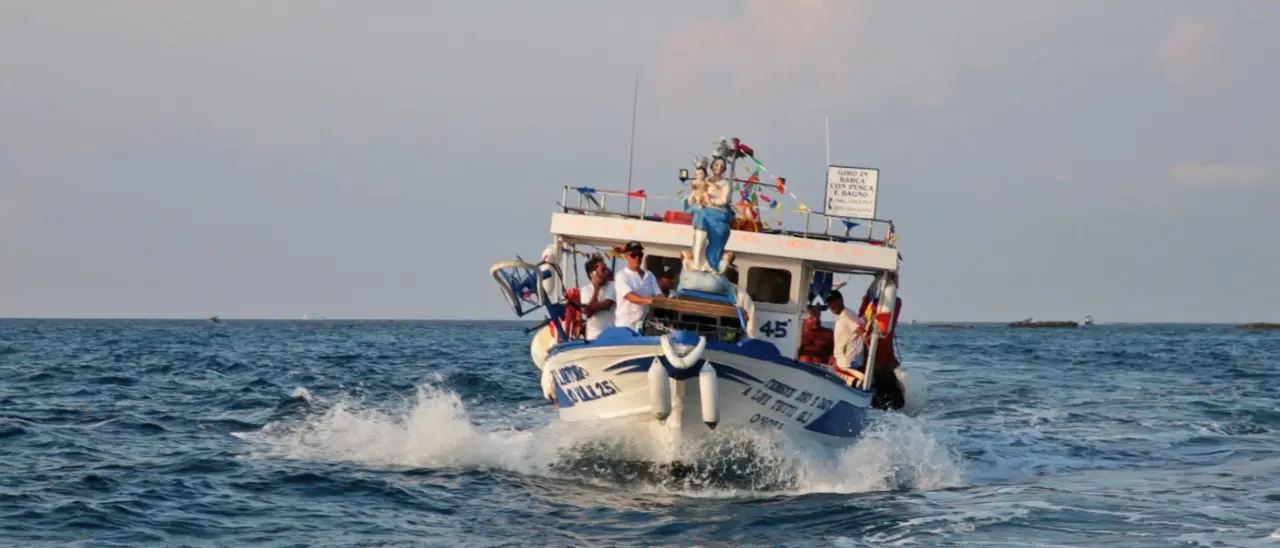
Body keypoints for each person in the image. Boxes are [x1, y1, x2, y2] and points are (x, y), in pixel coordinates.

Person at [614, 241, 663, 331]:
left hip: (643, 327)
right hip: (625, 327)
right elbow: (631, 297)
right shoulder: (621, 275)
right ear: (626, 256)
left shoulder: (650, 275)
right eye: (633, 255)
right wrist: (649, 300)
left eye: (640, 255)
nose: (637, 258)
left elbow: (659, 296)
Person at [827, 290, 869, 384]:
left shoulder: (847, 315)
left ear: (841, 300)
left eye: (833, 302)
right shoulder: (841, 316)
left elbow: (861, 332)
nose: (831, 306)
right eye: (829, 304)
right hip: (841, 363)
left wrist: (869, 351)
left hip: (849, 364)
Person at [578, 257, 616, 340]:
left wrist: (591, 308)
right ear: (592, 273)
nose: (607, 272)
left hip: (611, 335)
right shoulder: (585, 289)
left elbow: (607, 304)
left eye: (607, 268)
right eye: (603, 269)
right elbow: (588, 313)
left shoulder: (613, 285)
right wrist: (596, 289)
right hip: (593, 336)